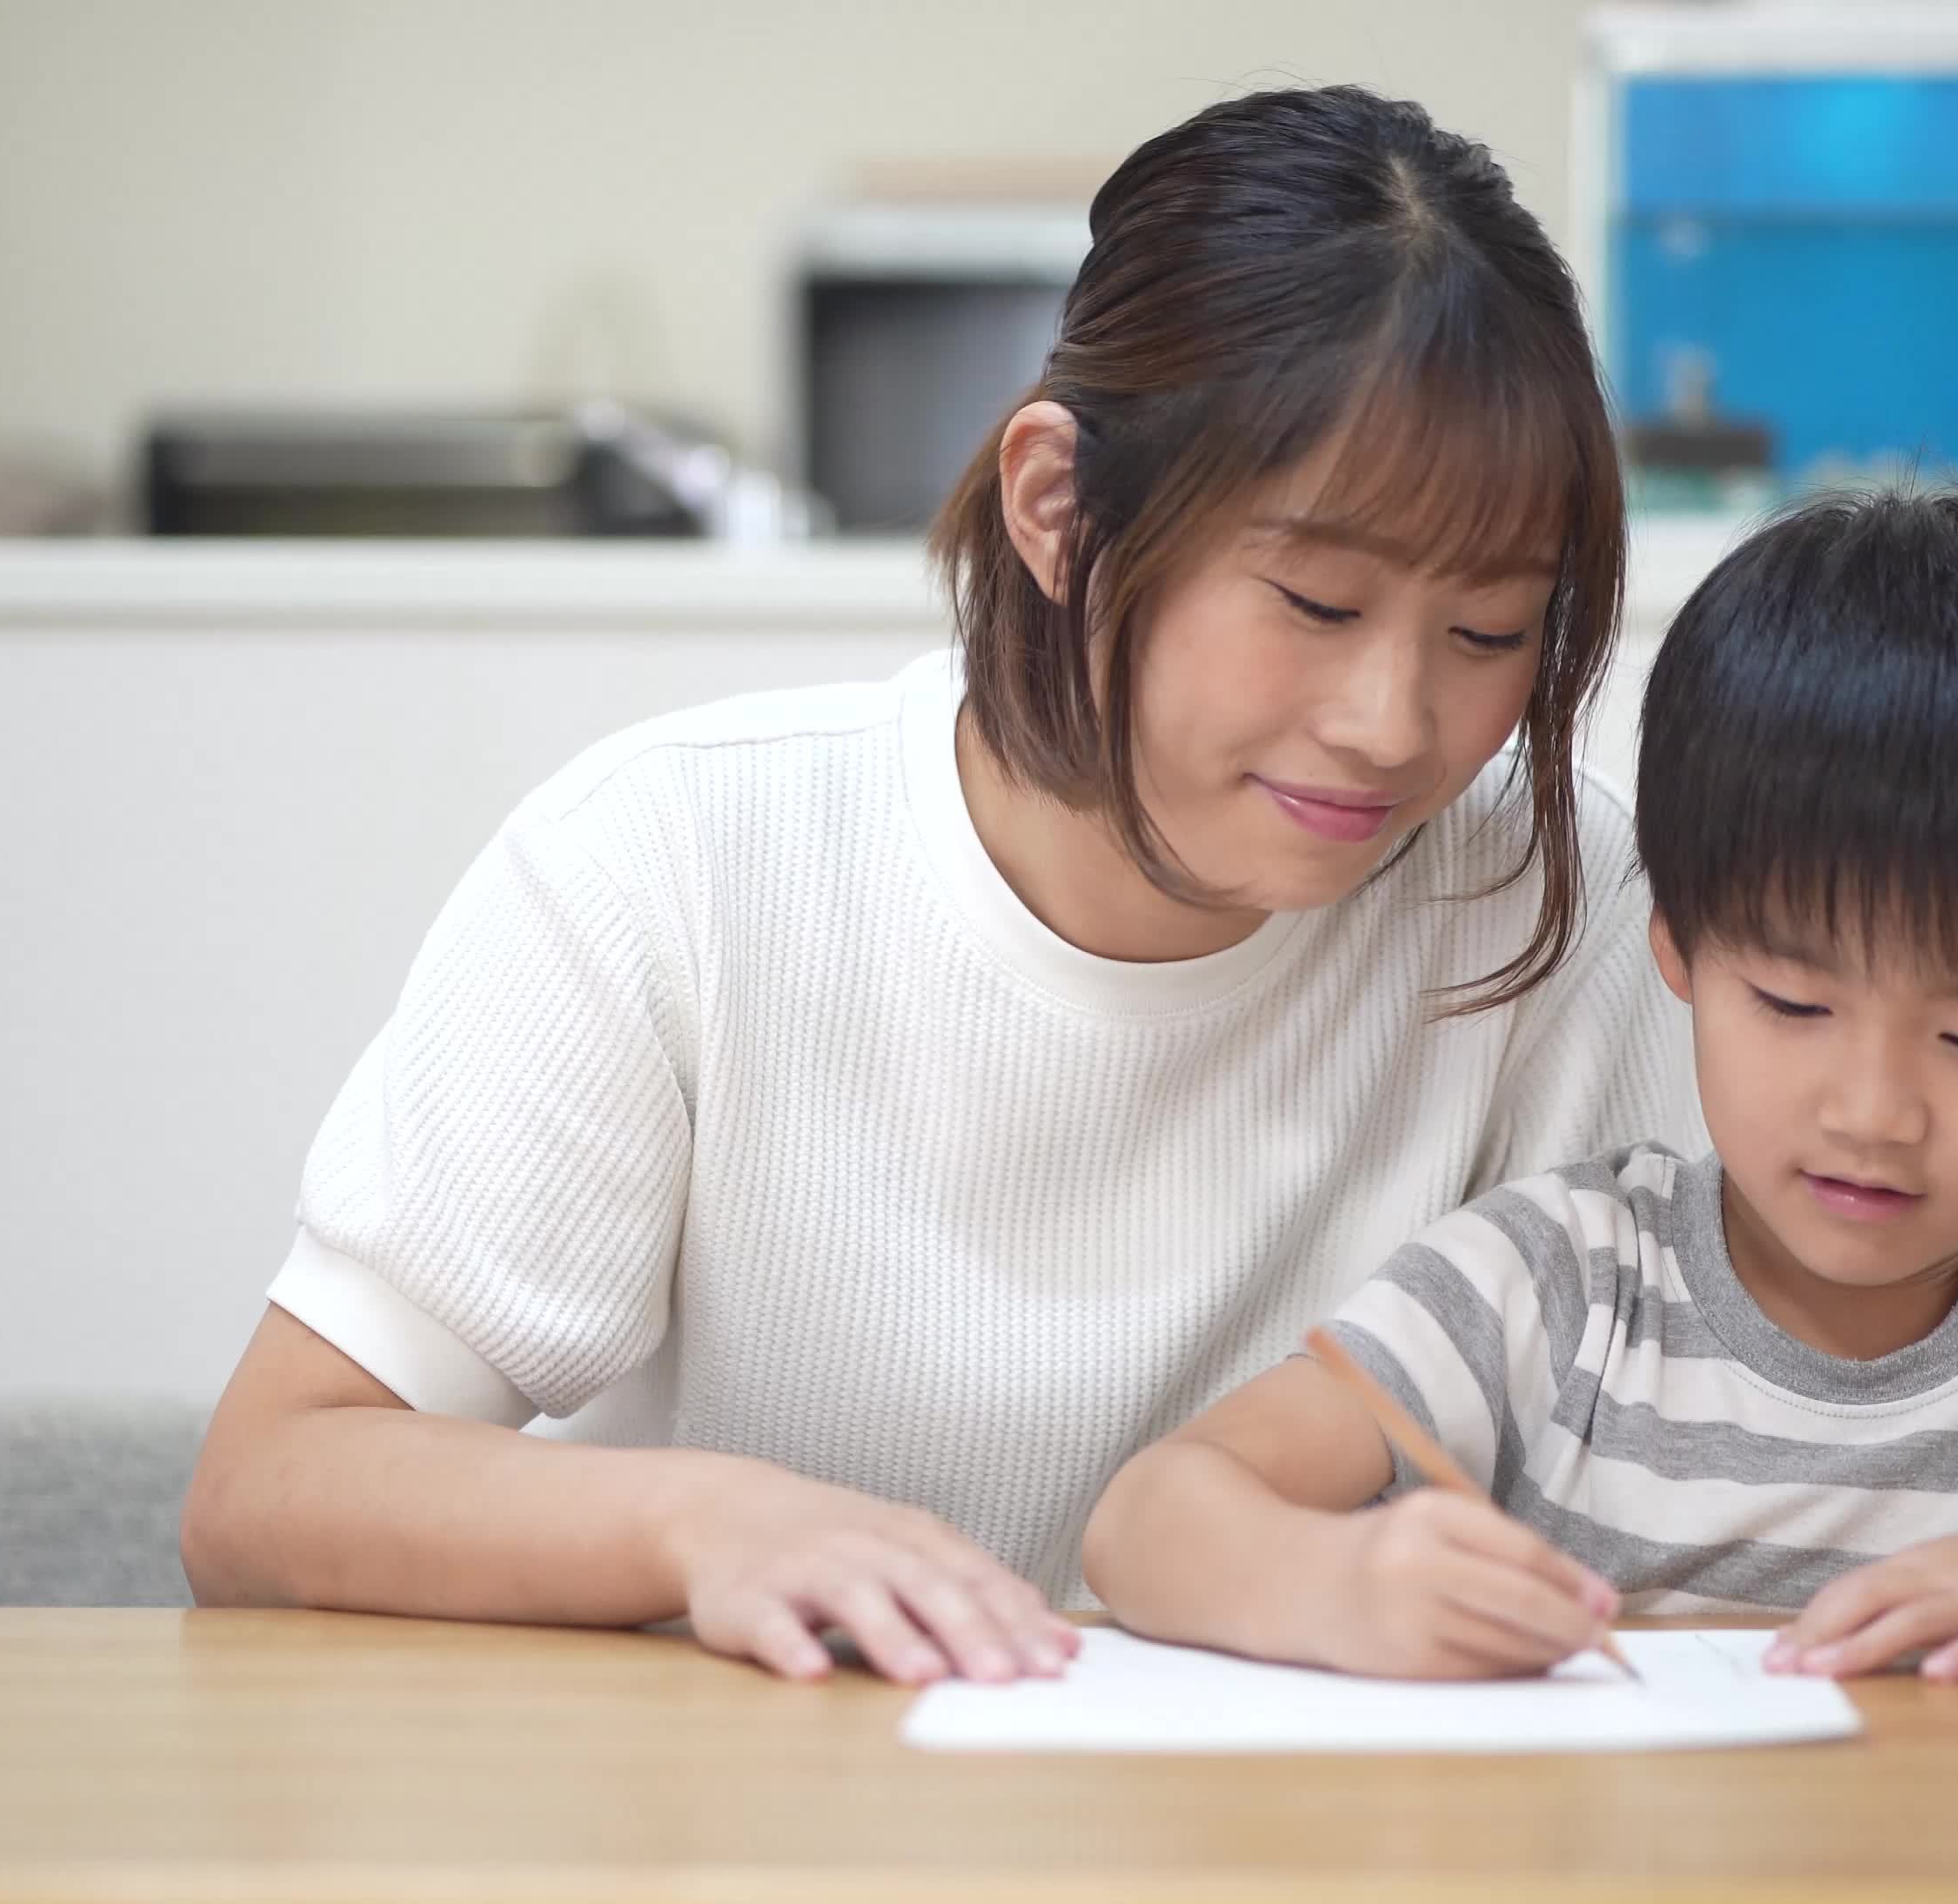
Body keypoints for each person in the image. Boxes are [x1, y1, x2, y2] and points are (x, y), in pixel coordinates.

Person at [178, 85, 1700, 1685]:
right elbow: (267, 1488)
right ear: (1060, 508)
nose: (1395, 726)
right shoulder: (684, 858)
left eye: (1487, 635)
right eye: (1317, 603)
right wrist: (704, 1526)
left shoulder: (1557, 905)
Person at [1082, 491, 1958, 1682]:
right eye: (1795, 1004)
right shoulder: (1563, 1281)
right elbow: (1153, 1516)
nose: (1872, 1111)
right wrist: (1342, 1584)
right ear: (1682, 954)